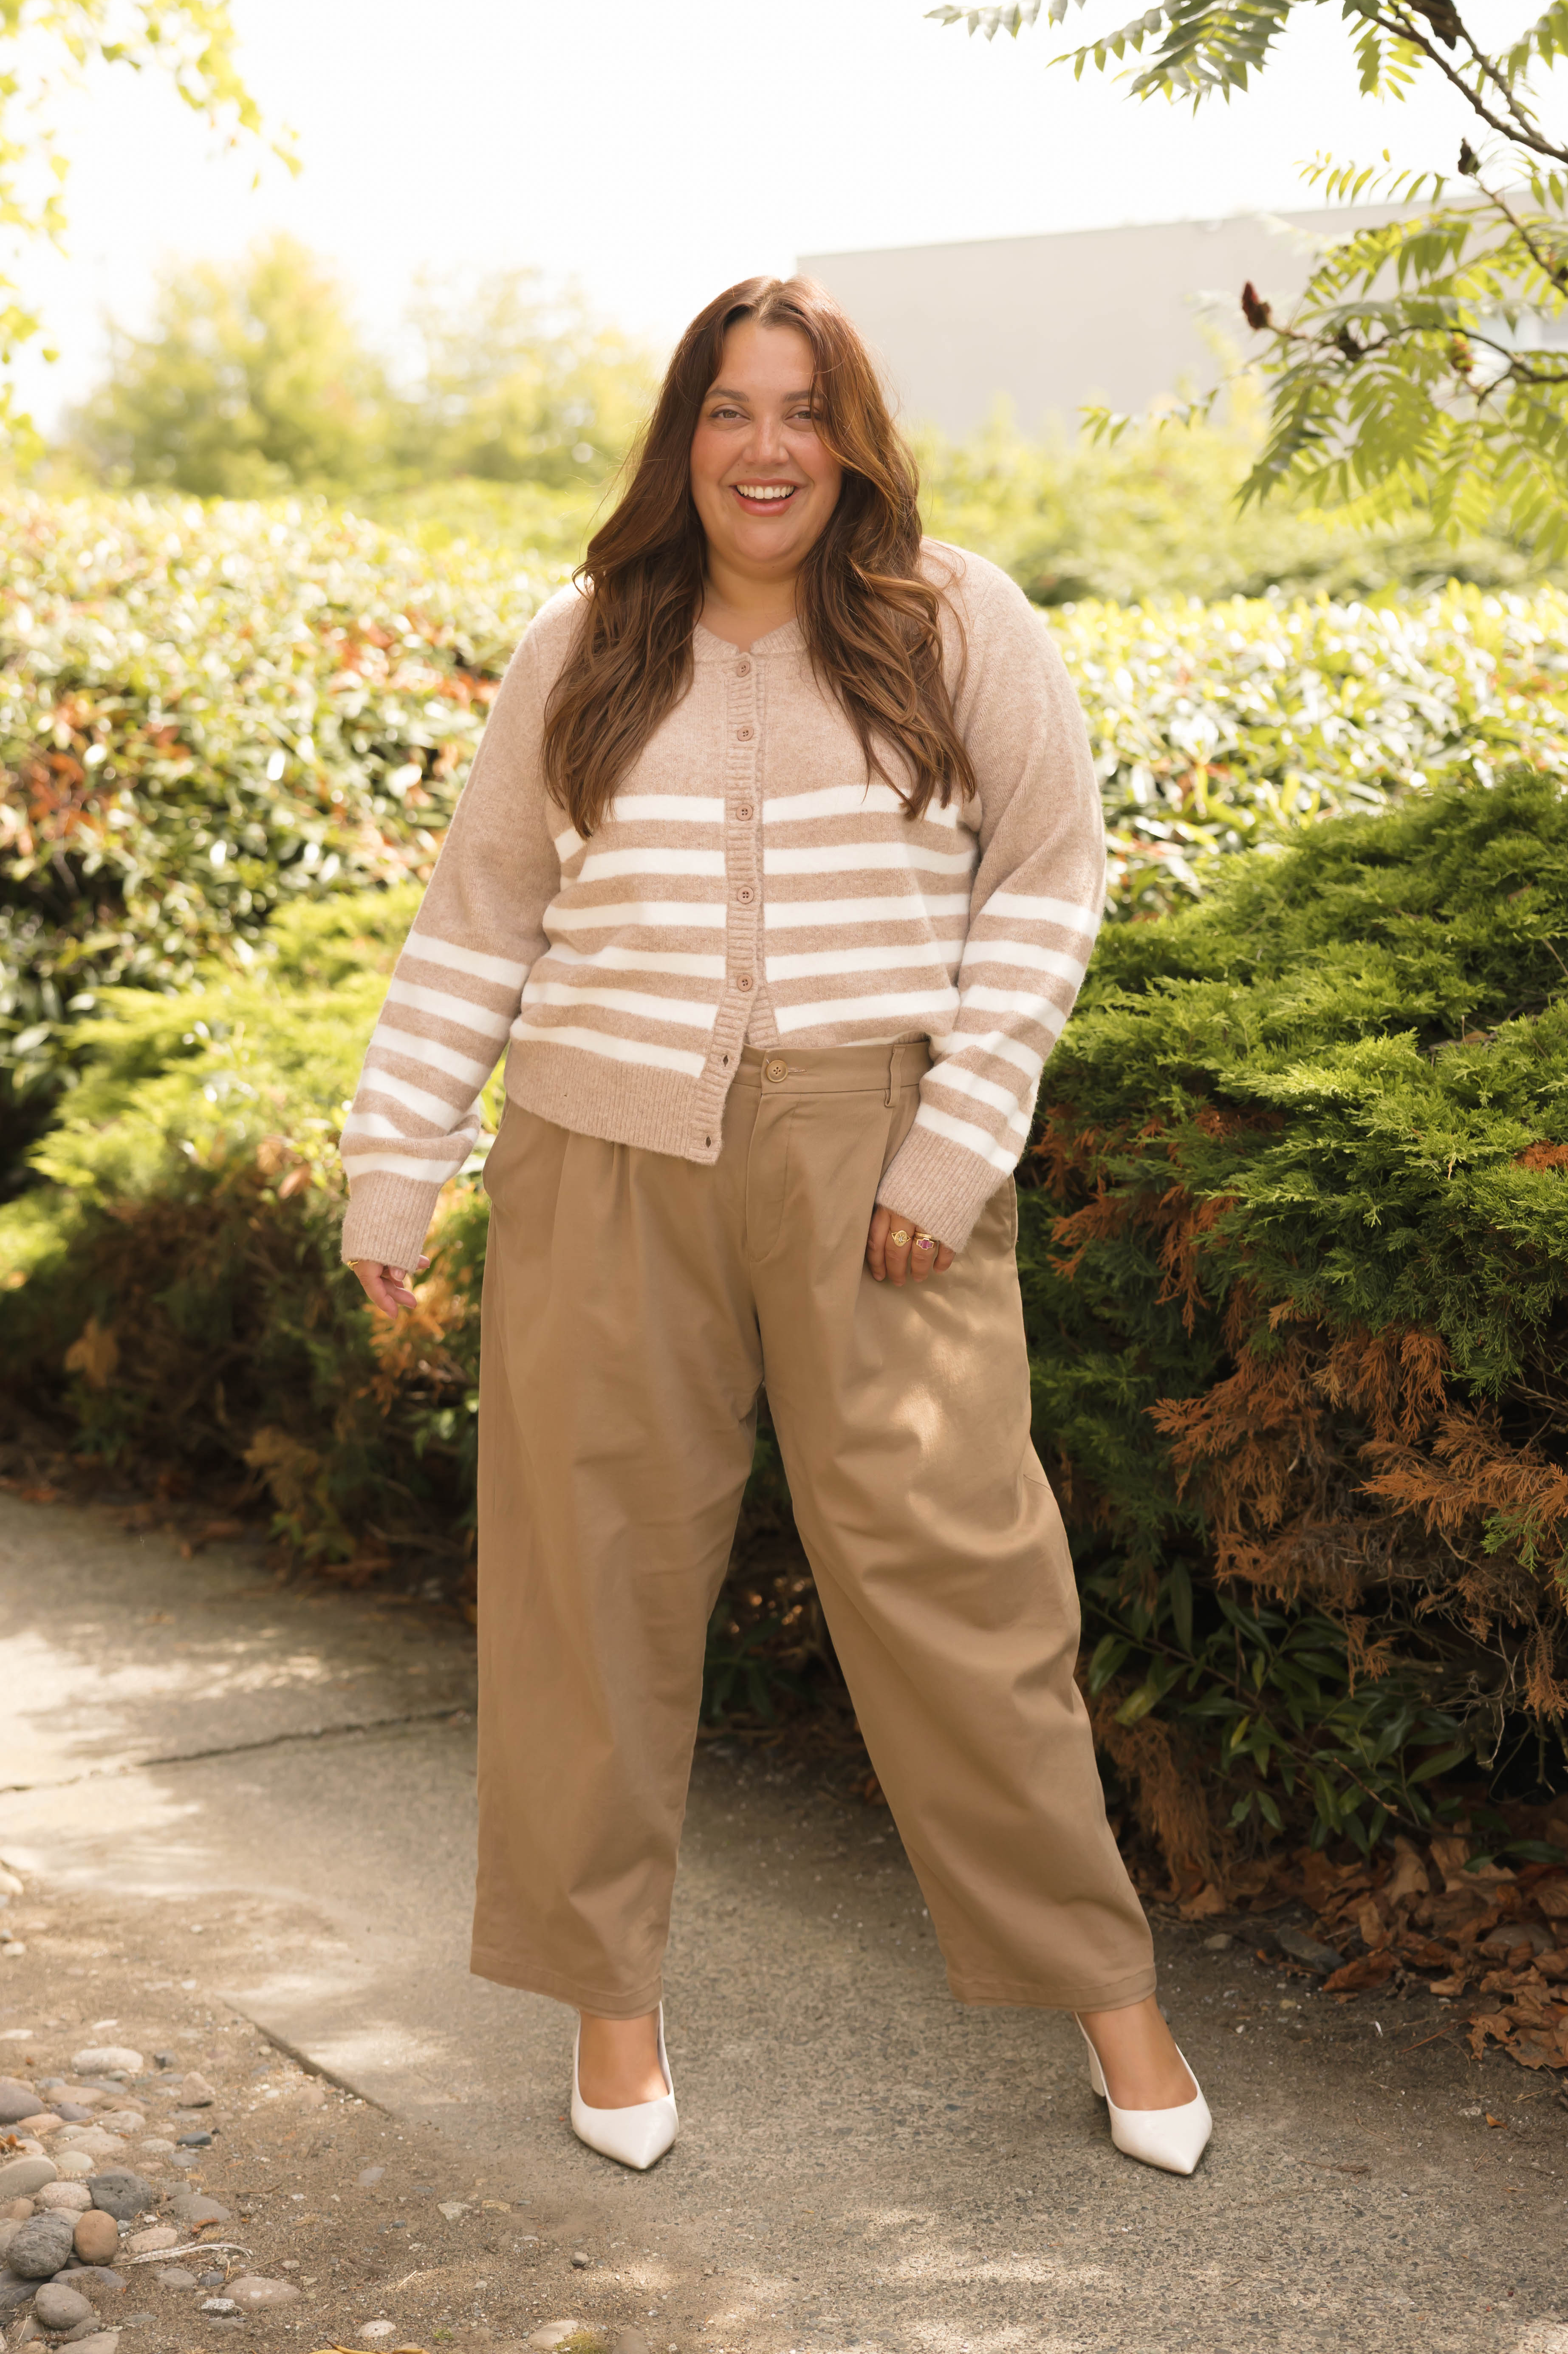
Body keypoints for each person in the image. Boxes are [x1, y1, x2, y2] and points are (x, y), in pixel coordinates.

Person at [341, 276, 1211, 2179]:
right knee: (589, 1586)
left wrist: (951, 1147)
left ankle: (1114, 2008)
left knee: (962, 1585)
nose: (765, 448)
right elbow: (481, 919)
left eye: (801, 411)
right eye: (730, 411)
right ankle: (612, 2018)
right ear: (684, 440)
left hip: (875, 1167)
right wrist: (396, 1163)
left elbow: (1051, 887)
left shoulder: (952, 620)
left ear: (852, 435)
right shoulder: (582, 643)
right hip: (599, 1151)